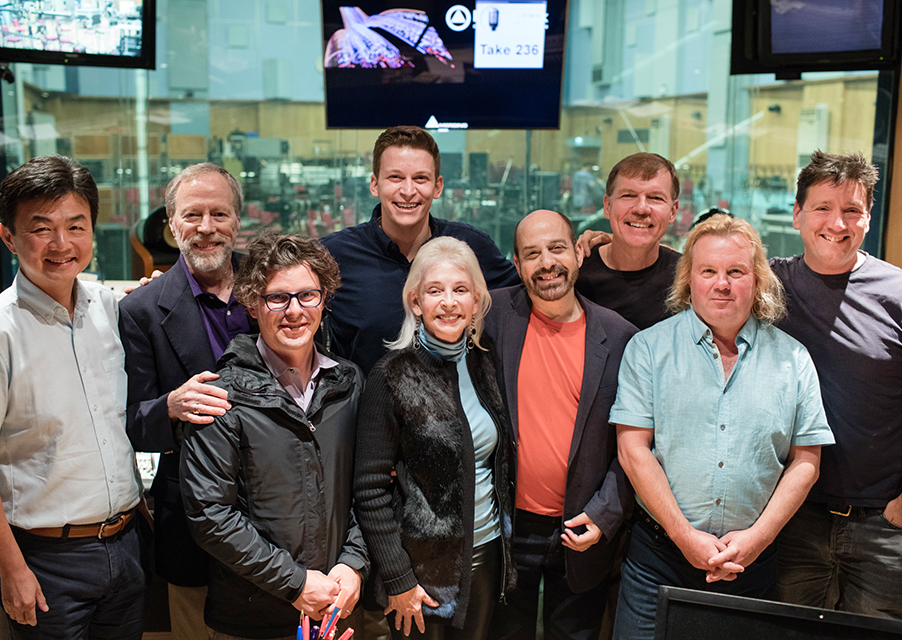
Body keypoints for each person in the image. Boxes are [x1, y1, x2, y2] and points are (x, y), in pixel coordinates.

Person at [612, 214, 834, 640]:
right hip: (659, 558)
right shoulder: (648, 350)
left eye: (736, 272)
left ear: (757, 281)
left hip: (752, 563)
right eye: (708, 271)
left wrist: (757, 539)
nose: (722, 283)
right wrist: (684, 537)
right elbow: (632, 451)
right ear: (689, 280)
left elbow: (807, 460)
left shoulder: (793, 359)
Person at [0, 155, 146, 639]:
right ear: (8, 237)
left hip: (125, 547)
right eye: (41, 228)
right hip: (45, 561)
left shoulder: (108, 307)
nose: (62, 245)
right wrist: (13, 570)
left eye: (75, 226)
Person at [180, 230, 368, 639]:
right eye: (277, 298)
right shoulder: (219, 394)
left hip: (338, 610)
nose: (294, 311)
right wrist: (297, 583)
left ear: (324, 299)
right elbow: (210, 515)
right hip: (252, 620)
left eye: (307, 295)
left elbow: (368, 491)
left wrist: (354, 564)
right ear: (252, 304)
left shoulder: (350, 383)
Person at [773, 151, 902, 620]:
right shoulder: (768, 284)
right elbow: (701, 266)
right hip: (790, 518)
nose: (838, 222)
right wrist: (603, 247)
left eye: (852, 210)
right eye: (822, 208)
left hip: (886, 525)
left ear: (868, 218)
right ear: (797, 215)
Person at [483, 210, 637, 640]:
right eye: (532, 254)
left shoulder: (621, 337)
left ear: (577, 253)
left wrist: (606, 514)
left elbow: (638, 444)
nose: (546, 262)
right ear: (517, 265)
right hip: (507, 529)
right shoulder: (492, 316)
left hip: (584, 530)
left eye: (556, 249)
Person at [354, 237, 516, 640]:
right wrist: (397, 579)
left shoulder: (484, 362)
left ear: (476, 302)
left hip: (488, 553)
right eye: (435, 291)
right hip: (421, 570)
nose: (448, 302)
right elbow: (369, 490)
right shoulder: (391, 375)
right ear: (415, 302)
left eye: (460, 290)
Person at [118, 162, 252, 639]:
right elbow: (130, 422)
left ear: (237, 222)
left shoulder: (273, 292)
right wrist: (169, 406)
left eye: (219, 214)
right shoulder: (139, 310)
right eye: (192, 215)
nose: (206, 228)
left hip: (278, 520)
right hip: (191, 520)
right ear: (172, 225)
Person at [321, 125, 520, 375]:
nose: (407, 190)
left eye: (420, 178)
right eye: (395, 177)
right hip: (368, 410)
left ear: (438, 187)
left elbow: (533, 295)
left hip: (459, 407)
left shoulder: (471, 247)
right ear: (374, 184)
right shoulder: (334, 255)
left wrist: (584, 256)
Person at [575, 153, 681, 330]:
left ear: (673, 211)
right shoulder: (575, 272)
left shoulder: (687, 277)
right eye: (628, 195)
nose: (641, 208)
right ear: (607, 206)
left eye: (656, 198)